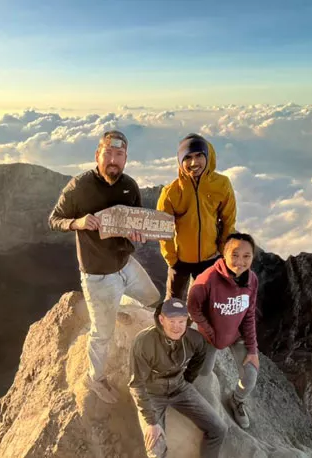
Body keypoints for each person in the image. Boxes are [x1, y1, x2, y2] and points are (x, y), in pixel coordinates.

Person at [49, 130, 161, 404]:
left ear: (126, 158)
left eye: (119, 155)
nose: (113, 160)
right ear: (97, 155)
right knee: (102, 333)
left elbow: (135, 222)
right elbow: (54, 219)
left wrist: (137, 235)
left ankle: (123, 311)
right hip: (98, 275)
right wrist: (77, 222)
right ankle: (94, 378)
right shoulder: (79, 186)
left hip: (125, 263)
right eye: (108, 153)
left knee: (153, 299)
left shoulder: (130, 186)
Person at [129, 298, 228, 458]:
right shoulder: (144, 342)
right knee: (155, 449)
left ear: (187, 321)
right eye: (172, 321)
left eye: (181, 321)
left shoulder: (194, 339)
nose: (177, 327)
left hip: (180, 388)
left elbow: (199, 358)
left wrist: (187, 380)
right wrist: (151, 422)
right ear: (162, 319)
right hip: (152, 394)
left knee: (219, 429)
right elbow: (136, 385)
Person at [187, 233, 259, 429]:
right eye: (235, 255)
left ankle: (236, 400)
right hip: (210, 336)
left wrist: (252, 350)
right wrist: (210, 334)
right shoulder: (206, 280)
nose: (240, 262)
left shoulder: (252, 280)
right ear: (224, 254)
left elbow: (249, 314)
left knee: (250, 375)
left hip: (236, 334)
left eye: (246, 256)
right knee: (204, 372)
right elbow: (193, 308)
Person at [157, 133, 237, 301]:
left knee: (204, 303)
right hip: (180, 260)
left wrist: (223, 252)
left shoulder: (222, 185)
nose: (194, 163)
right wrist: (172, 259)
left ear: (207, 156)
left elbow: (228, 220)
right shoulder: (171, 192)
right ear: (180, 161)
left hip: (210, 257)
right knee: (172, 304)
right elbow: (163, 230)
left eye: (199, 155)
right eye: (188, 157)